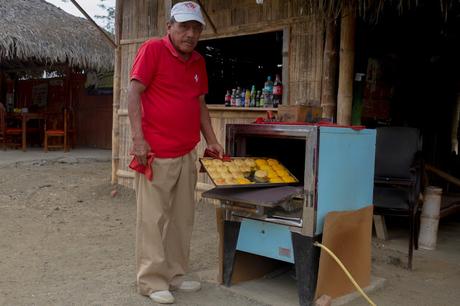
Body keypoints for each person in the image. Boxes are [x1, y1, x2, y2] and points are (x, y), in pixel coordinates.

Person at [127, 1, 224, 304]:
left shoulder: (197, 61)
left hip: (186, 153)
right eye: (183, 27)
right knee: (153, 219)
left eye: (195, 28)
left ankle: (176, 274)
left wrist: (211, 140)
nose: (190, 34)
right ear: (169, 27)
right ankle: (152, 281)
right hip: (156, 153)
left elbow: (199, 105)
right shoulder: (153, 50)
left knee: (183, 219)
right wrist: (138, 140)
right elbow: (133, 92)